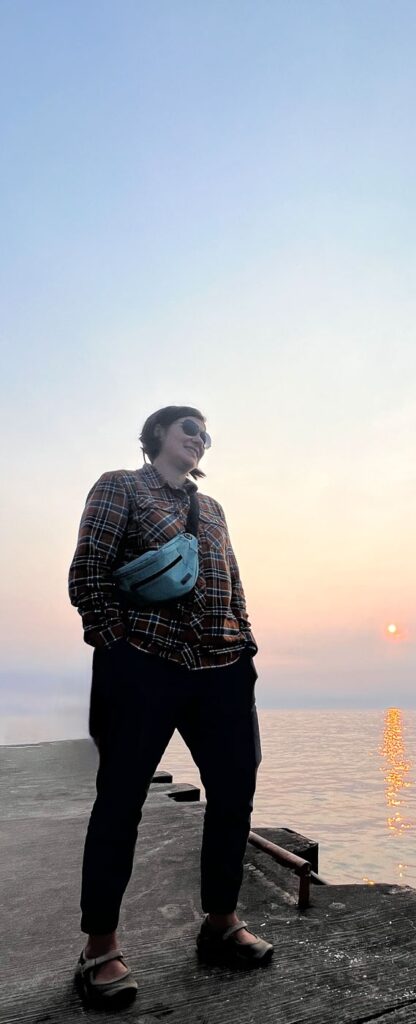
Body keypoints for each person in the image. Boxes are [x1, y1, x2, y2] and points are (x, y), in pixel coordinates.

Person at [68, 405, 272, 1008]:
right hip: (146, 663)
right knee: (121, 801)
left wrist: (246, 643)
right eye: (190, 428)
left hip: (224, 667)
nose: (200, 439)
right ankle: (98, 946)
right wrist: (117, 645)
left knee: (235, 796)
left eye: (206, 434)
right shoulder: (121, 486)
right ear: (158, 434)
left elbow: (232, 580)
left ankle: (220, 923)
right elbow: (89, 575)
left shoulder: (213, 509)